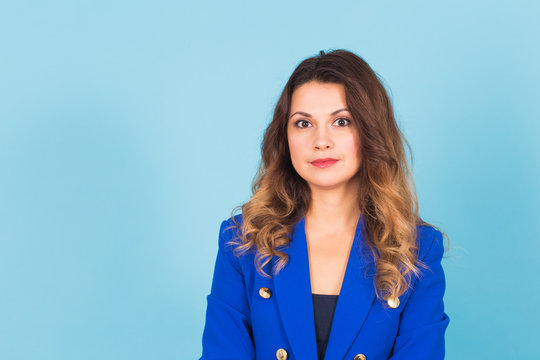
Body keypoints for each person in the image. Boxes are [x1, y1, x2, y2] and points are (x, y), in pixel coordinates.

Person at [200, 49, 450, 360]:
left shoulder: (416, 249)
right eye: (303, 123)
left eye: (342, 121)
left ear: (371, 131)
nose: (321, 141)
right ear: (284, 136)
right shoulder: (243, 241)